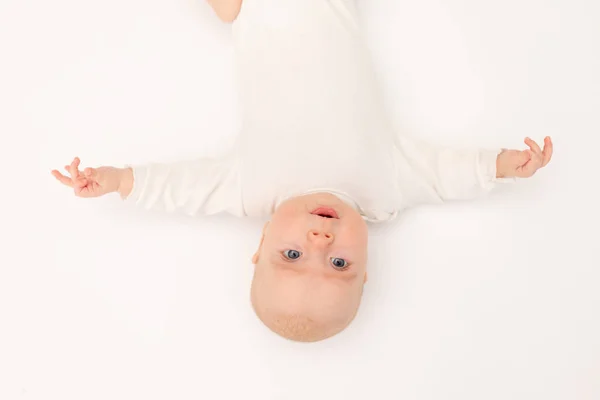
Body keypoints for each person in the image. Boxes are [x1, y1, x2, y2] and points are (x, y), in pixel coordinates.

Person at [51, 0, 553, 342]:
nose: (319, 241)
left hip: (255, 12)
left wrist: (116, 180)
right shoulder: (386, 191)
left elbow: (179, 189)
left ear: (263, 242)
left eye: (291, 255)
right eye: (339, 265)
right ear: (366, 267)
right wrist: (505, 165)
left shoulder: (251, 191)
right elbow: (449, 175)